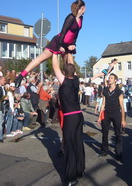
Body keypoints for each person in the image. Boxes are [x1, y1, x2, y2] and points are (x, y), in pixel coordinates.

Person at [14, 0, 86, 87]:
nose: (85, 9)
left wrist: (73, 44)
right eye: (85, 7)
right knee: (40, 59)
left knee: (67, 66)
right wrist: (60, 46)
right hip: (58, 42)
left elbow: (76, 33)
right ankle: (21, 76)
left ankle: (67, 85)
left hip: (68, 44)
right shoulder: (70, 17)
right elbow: (63, 32)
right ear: (82, 8)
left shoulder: (81, 18)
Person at [52, 54, 85, 186]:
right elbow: (71, 63)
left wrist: (54, 51)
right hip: (79, 116)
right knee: (78, 143)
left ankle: (71, 177)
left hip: (70, 117)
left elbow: (55, 66)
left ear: (65, 73)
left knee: (69, 146)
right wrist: (69, 50)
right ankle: (80, 170)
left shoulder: (64, 81)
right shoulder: (76, 80)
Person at [98, 73, 126, 161]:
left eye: (111, 78)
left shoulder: (119, 92)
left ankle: (118, 153)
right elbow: (103, 104)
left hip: (116, 114)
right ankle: (104, 151)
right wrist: (99, 117)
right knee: (104, 133)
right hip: (107, 114)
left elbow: (122, 106)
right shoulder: (105, 91)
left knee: (118, 134)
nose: (109, 79)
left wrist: (123, 120)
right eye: (109, 78)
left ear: (115, 80)